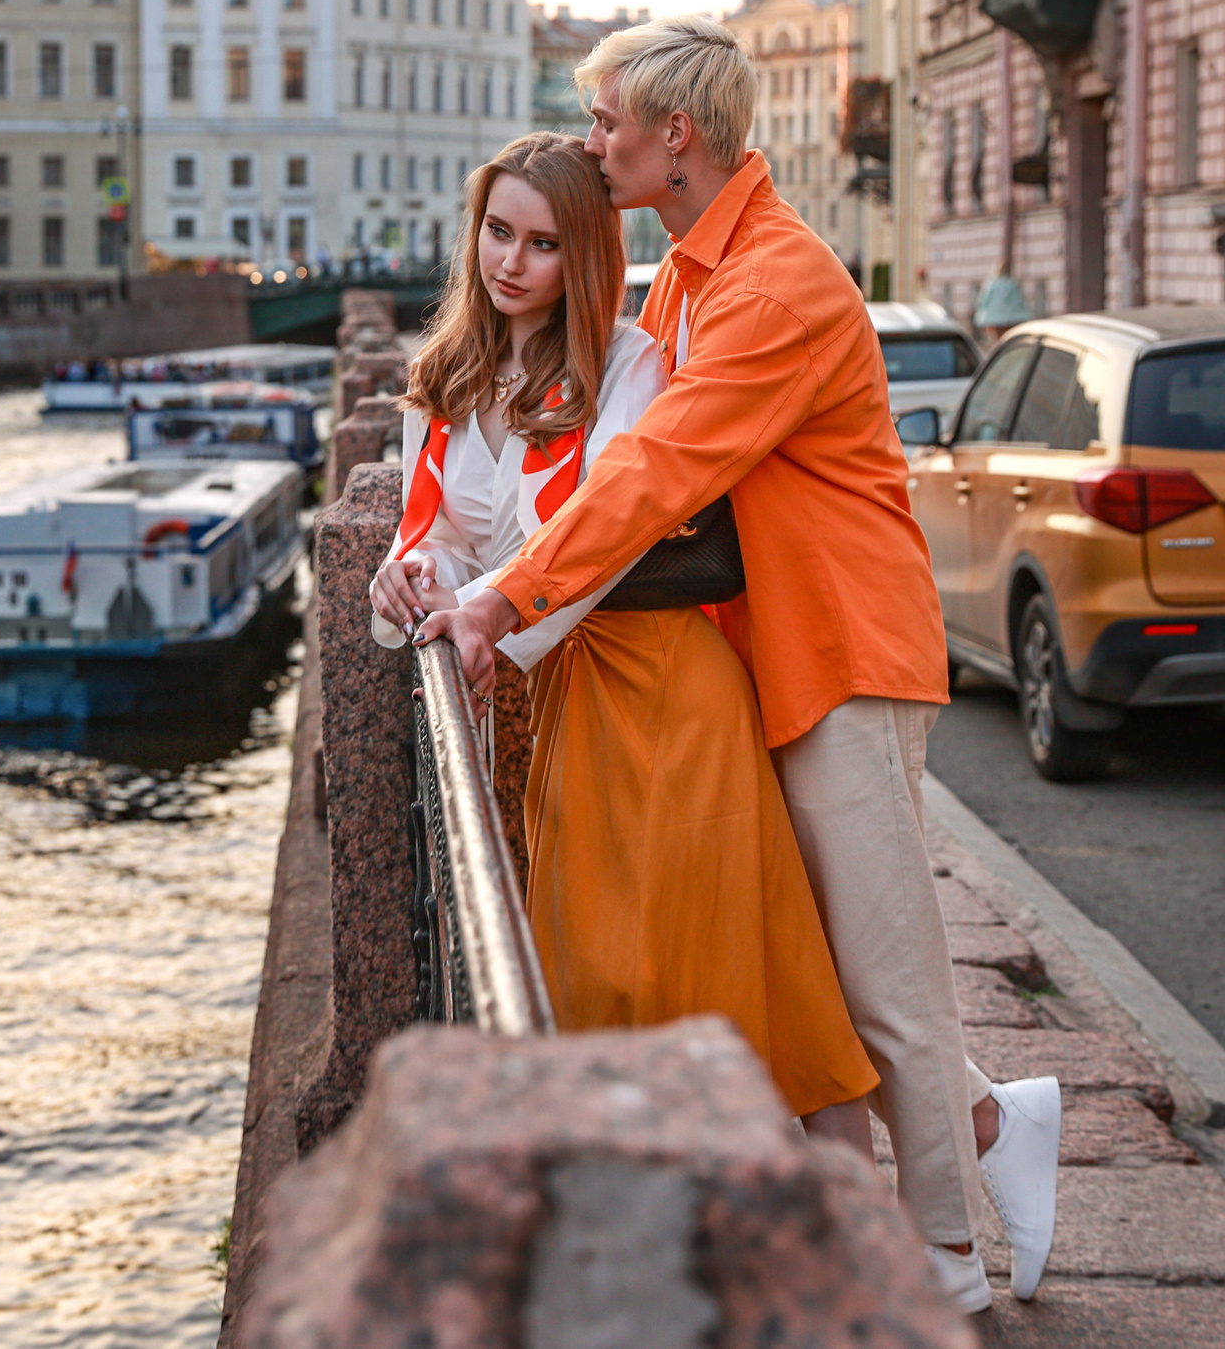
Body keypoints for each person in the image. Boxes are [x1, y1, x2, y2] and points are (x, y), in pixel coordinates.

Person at [420, 17, 1060, 1314]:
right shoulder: (686, 278)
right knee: (840, 958)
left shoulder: (771, 282)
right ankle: (991, 1121)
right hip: (772, 649)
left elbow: (659, 475)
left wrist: (500, 593)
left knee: (880, 972)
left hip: (841, 648)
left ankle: (945, 1254)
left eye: (606, 122)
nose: (592, 141)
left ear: (677, 138)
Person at [368, 132, 881, 1131]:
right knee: (597, 981)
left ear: (588, 256)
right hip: (569, 703)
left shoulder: (629, 369)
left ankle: (840, 1255)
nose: (509, 263)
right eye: (497, 233)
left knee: (737, 991)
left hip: (666, 692)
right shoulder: (445, 381)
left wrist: (479, 616)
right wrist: (409, 578)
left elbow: (595, 544)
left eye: (543, 244)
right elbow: (442, 543)